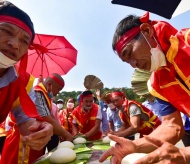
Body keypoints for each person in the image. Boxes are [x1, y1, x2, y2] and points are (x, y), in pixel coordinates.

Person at [99, 11, 190, 164]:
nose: (133, 65)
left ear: (147, 31)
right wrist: (135, 146)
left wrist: (185, 154)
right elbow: (172, 125)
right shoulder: (157, 83)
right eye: (127, 62)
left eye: (130, 53)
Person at [0, 1, 53, 163]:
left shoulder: (22, 82)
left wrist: (41, 129)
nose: (14, 44)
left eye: (24, 41)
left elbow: (25, 120)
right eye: (6, 31)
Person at [34, 73, 73, 153]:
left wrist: (63, 133)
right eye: (58, 89)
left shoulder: (45, 96)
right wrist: (66, 134)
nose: (58, 93)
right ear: (49, 84)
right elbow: (47, 119)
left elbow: (52, 118)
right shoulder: (38, 92)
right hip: (26, 139)